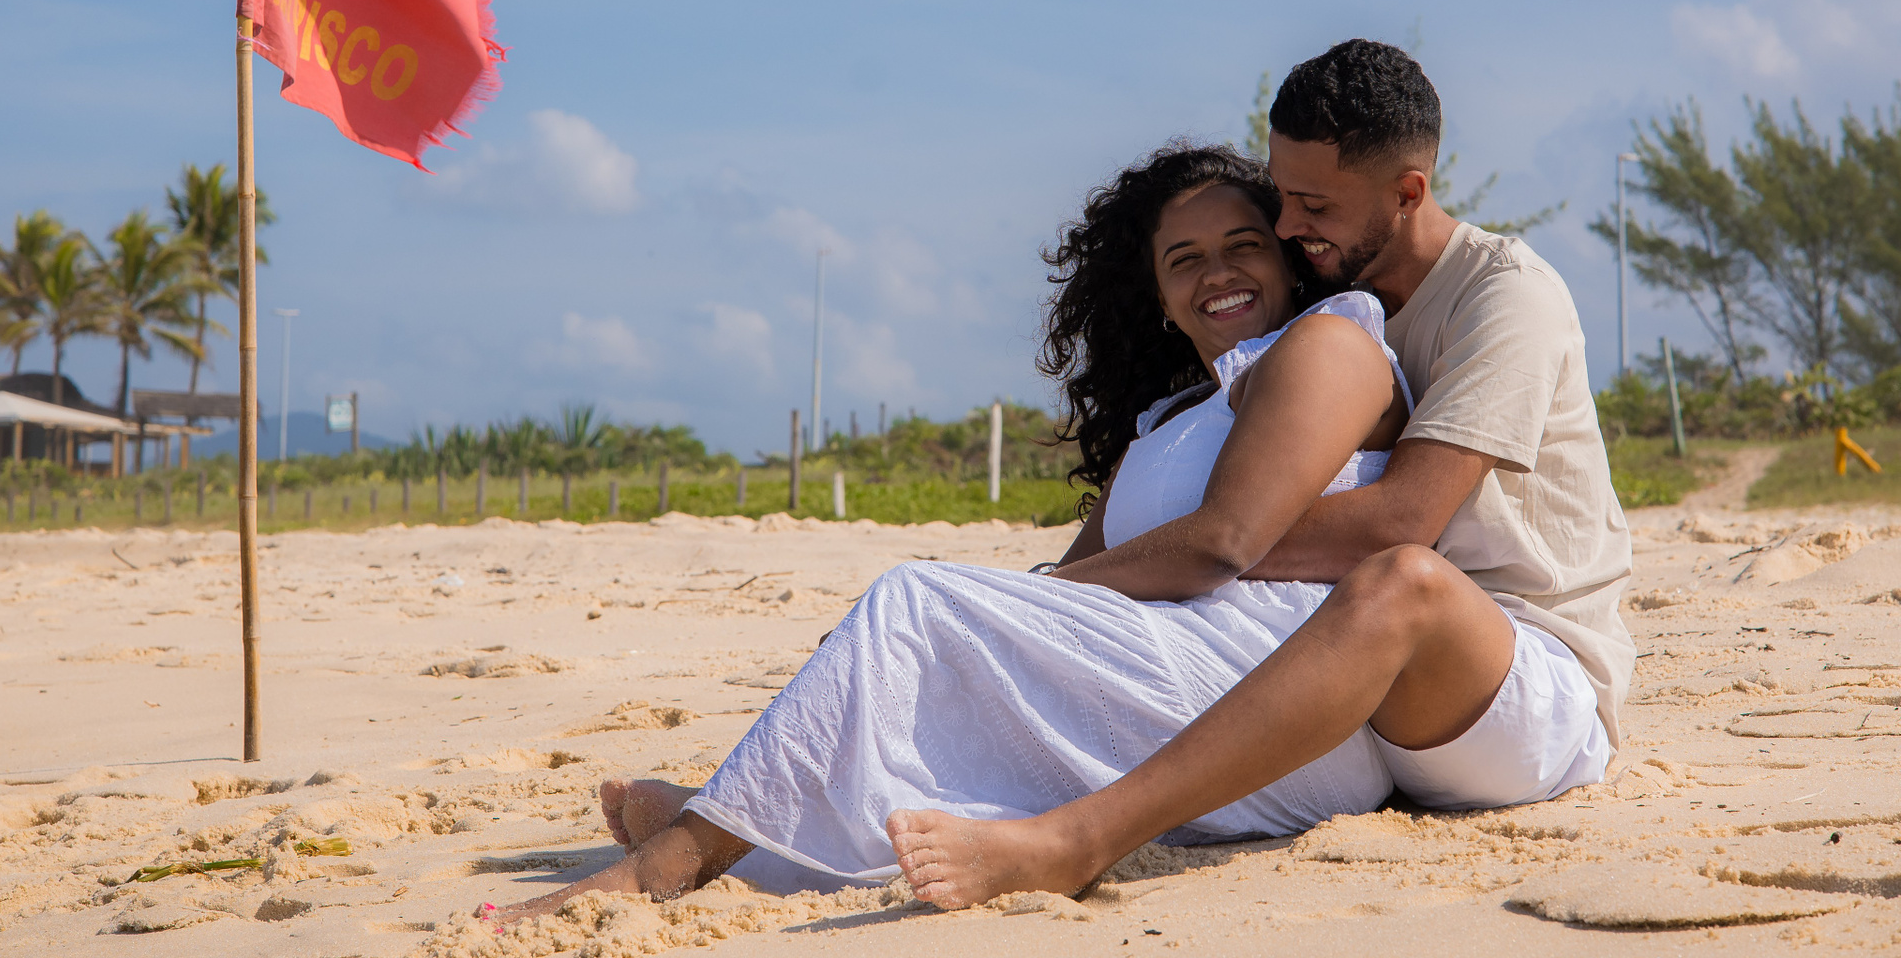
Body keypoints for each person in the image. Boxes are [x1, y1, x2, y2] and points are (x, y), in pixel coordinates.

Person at [486, 142, 1417, 922]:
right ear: (1161, 298)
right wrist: (910, 642)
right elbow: (1066, 583)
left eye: (1243, 246)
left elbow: (1221, 546)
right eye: (1184, 260)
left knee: (915, 599)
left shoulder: (1327, 342)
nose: (1216, 273)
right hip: (1171, 693)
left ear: (1289, 259)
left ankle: (670, 861)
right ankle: (747, 828)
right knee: (922, 672)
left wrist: (959, 612)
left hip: (1283, 701)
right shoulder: (1165, 424)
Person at [886, 38, 1632, 907]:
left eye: (1314, 204)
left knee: (1402, 580)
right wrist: (1012, 611)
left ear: (1407, 193)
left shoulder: (1504, 296)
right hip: (1364, 693)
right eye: (1282, 195)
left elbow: (1402, 521)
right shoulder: (1328, 308)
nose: (1285, 227)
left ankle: (1080, 840)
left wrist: (1208, 542)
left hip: (1516, 684)